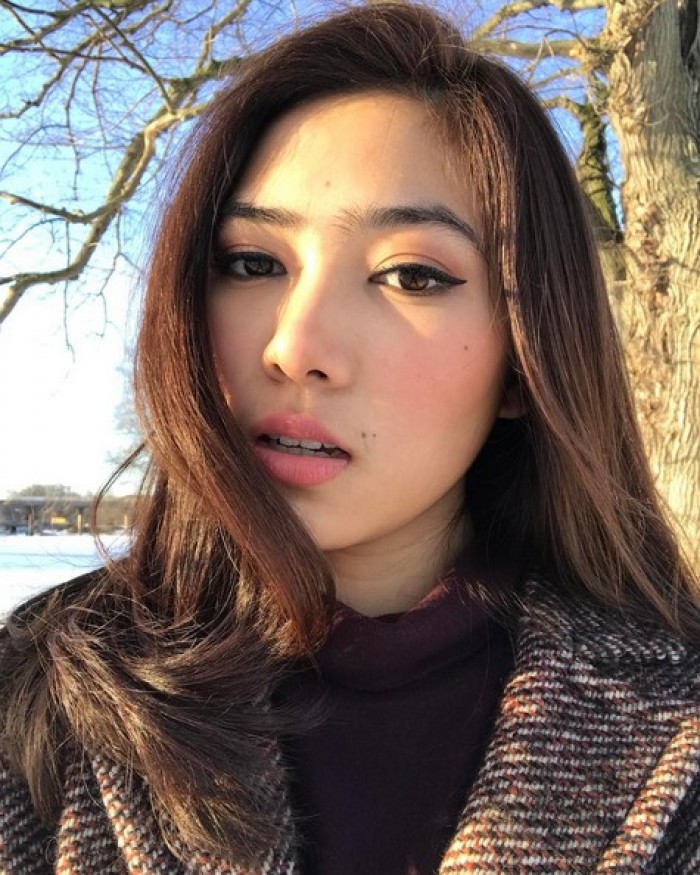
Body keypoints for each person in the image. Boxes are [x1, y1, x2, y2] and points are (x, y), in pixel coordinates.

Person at [1, 4, 699, 873]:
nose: (296, 346)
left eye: (411, 274)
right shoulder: (35, 697)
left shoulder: (677, 726)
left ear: (527, 361)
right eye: (253, 263)